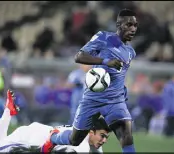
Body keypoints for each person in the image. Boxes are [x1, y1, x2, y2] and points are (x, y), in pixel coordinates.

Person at [48, 9, 138, 153]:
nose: (133, 29)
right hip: (93, 99)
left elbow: (120, 74)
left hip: (115, 101)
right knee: (74, 139)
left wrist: (123, 89)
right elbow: (79, 56)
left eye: (135, 25)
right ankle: (53, 138)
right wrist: (105, 61)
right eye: (129, 25)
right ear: (118, 25)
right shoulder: (104, 38)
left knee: (126, 137)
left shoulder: (130, 52)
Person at [0, 90, 111, 153]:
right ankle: (8, 111)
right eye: (102, 135)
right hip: (29, 138)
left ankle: (9, 111)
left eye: (106, 137)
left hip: (36, 133)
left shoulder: (84, 136)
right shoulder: (81, 147)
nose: (104, 140)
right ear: (90, 132)